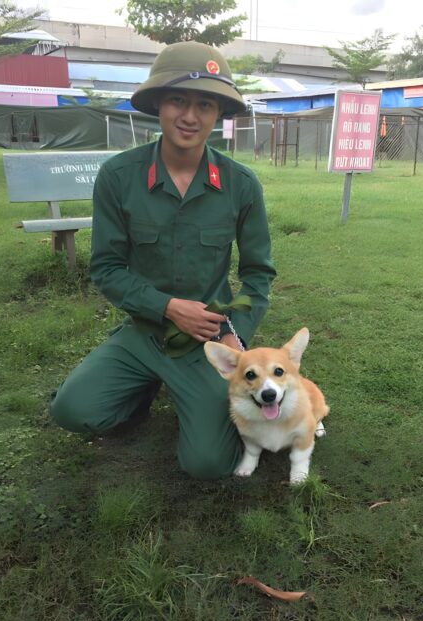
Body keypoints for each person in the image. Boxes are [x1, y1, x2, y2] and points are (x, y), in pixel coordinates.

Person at [50, 41, 276, 480]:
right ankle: (139, 395)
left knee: (208, 464)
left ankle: (221, 403)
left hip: (206, 343)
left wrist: (234, 336)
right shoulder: (119, 177)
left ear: (218, 114)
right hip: (143, 332)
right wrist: (168, 308)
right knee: (73, 411)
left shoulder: (240, 185)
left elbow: (258, 274)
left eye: (204, 104)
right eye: (178, 100)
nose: (190, 116)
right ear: (158, 104)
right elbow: (107, 268)